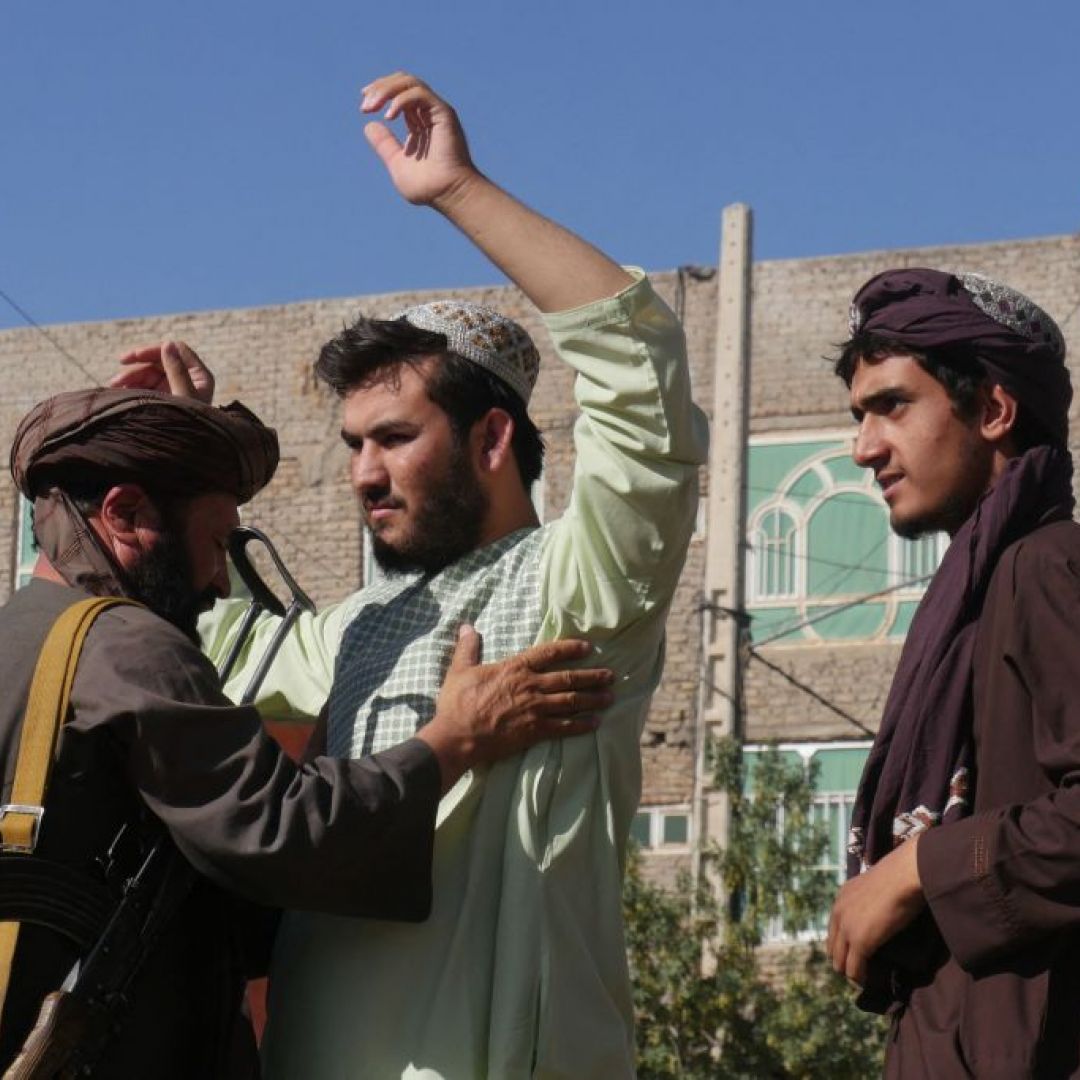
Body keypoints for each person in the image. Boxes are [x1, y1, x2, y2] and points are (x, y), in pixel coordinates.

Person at [173, 72, 708, 1078]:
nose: (363, 473)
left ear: (493, 435)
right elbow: (196, 646)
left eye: (395, 438)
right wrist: (190, 458)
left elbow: (641, 366)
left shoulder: (578, 587)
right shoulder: (354, 629)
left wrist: (457, 189)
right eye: (352, 443)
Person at [0, 381, 614, 1077]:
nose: (221, 583)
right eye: (215, 541)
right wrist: (455, 739)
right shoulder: (123, 647)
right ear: (127, 513)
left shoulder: (21, 639)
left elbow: (201, 897)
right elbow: (280, 834)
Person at [825, 267, 1080, 1077]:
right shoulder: (971, 602)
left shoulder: (1048, 567)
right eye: (859, 416)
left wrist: (915, 871)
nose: (864, 449)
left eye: (893, 406)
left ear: (995, 410)